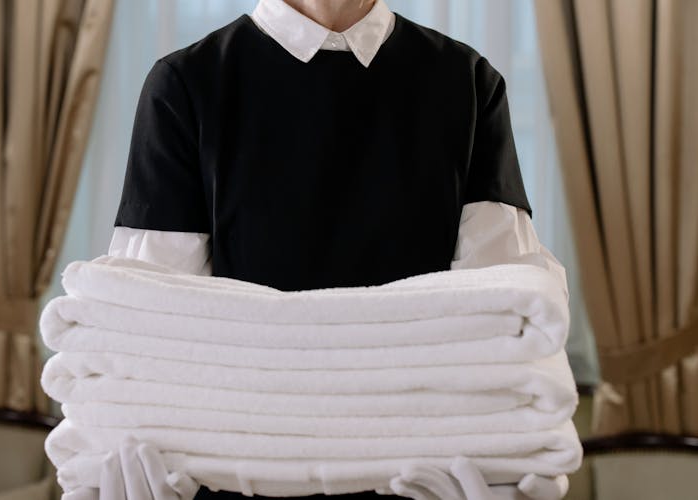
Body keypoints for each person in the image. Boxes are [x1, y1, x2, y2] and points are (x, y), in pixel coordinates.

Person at [108, 0, 568, 498]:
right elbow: (155, 338)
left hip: (425, 482)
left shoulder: (466, 84)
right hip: (230, 484)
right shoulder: (185, 86)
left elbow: (501, 325)